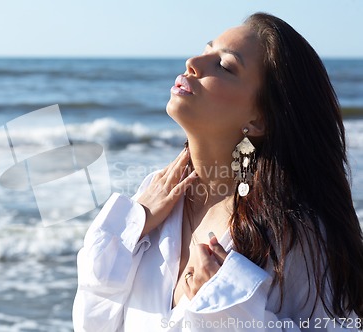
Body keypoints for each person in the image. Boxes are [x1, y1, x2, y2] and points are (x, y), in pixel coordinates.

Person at [72, 12, 363, 331]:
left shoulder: (294, 232)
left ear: (259, 120)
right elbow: (93, 322)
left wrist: (229, 307)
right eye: (205, 50)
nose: (192, 62)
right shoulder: (152, 203)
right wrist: (130, 224)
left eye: (224, 66)